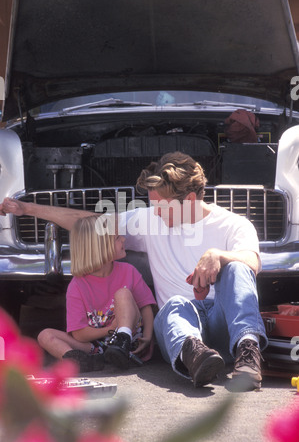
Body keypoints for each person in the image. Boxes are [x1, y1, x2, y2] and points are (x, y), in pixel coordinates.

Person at [0, 152, 267, 390]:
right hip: (179, 325)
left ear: (190, 199)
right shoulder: (150, 220)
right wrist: (27, 209)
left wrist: (219, 255)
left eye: (161, 206)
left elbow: (252, 263)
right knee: (174, 304)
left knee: (238, 266)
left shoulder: (233, 225)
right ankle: (196, 359)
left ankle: (247, 352)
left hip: (224, 322)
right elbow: (92, 224)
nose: (155, 212)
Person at [37, 214, 156, 372]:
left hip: (130, 341)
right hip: (96, 346)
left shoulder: (129, 272)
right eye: (117, 238)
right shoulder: (77, 285)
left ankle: (122, 342)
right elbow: (79, 334)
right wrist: (110, 328)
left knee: (123, 294)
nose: (123, 240)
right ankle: (80, 361)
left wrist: (148, 337)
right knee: (45, 335)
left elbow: (146, 307)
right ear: (100, 247)